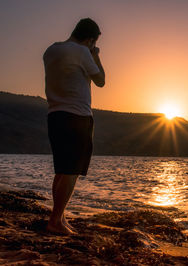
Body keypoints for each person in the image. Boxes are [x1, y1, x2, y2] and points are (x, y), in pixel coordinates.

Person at [43, 18, 105, 235]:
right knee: (71, 171)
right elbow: (101, 81)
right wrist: (95, 54)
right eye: (92, 43)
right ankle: (54, 221)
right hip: (77, 116)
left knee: (61, 170)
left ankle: (59, 216)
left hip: (54, 114)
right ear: (90, 39)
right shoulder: (83, 52)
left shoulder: (51, 51)